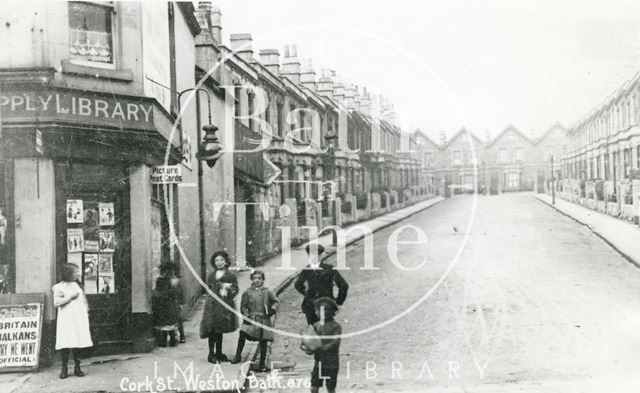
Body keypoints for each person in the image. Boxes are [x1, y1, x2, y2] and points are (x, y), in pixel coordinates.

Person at [230, 270, 278, 372]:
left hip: (264, 320)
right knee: (243, 333)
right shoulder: (247, 292)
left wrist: (272, 310)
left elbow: (275, 302)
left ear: (263, 280)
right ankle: (237, 355)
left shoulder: (268, 291)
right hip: (251, 319)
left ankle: (262, 363)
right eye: (255, 278)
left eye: (259, 278)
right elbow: (243, 306)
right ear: (251, 279)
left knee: (263, 341)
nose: (257, 280)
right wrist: (246, 316)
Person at [52, 263, 93, 379]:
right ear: (68, 274)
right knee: (66, 343)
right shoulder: (59, 287)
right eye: (75, 272)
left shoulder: (77, 286)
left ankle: (77, 367)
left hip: (78, 319)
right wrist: (70, 298)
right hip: (66, 320)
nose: (78, 274)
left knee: (77, 343)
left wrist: (86, 311)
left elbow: (83, 301)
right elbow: (56, 303)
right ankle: (64, 368)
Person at [295, 244, 349, 326]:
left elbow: (298, 285)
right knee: (322, 331)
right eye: (311, 255)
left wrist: (307, 294)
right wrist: (338, 303)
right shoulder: (329, 268)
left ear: (320, 256)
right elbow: (344, 285)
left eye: (314, 255)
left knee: (318, 331)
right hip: (321, 305)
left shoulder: (308, 270)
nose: (313, 257)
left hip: (315, 305)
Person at [200, 251, 239, 363]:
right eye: (217, 260)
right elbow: (208, 289)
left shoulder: (231, 275)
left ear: (226, 261)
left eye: (221, 260)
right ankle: (211, 354)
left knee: (219, 330)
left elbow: (235, 289)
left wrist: (228, 288)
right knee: (212, 329)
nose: (219, 262)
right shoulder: (212, 275)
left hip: (224, 305)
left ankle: (219, 352)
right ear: (214, 262)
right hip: (212, 306)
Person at [301, 297, 342, 393]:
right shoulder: (316, 325)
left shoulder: (336, 326)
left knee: (330, 388)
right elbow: (311, 339)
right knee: (314, 388)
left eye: (317, 310)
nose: (315, 312)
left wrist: (324, 347)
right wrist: (306, 346)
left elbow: (336, 341)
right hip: (318, 362)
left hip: (332, 363)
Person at [152, 263, 181, 347]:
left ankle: (167, 341)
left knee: (166, 323)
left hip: (165, 303)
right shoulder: (167, 281)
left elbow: (158, 291)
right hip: (167, 303)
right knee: (168, 323)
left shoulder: (161, 281)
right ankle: (170, 341)